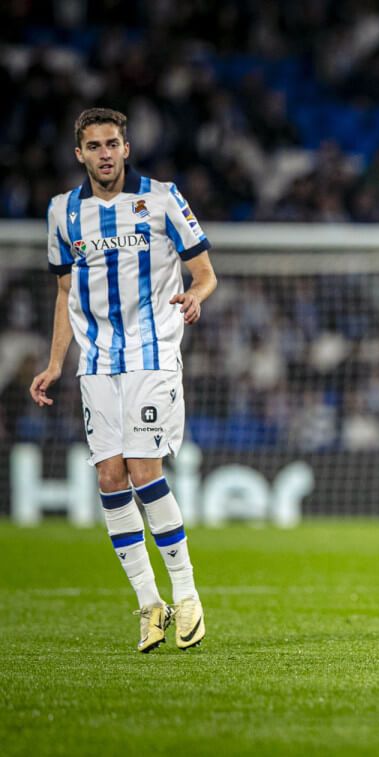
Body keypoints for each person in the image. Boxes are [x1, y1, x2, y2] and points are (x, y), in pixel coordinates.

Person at [30, 107, 217, 653]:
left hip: (153, 352)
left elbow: (205, 272)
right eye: (94, 146)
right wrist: (55, 362)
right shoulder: (62, 213)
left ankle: (186, 596)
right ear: (79, 154)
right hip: (96, 362)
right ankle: (149, 604)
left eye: (113, 143)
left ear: (127, 148)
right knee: (110, 478)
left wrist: (193, 297)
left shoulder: (162, 198)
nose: (105, 154)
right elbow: (65, 293)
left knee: (142, 468)